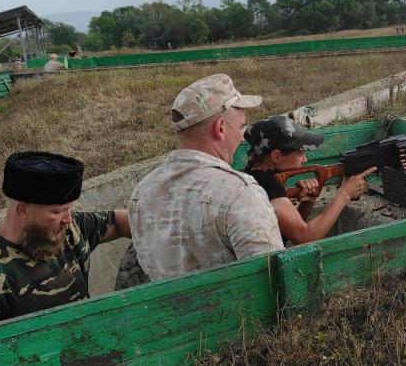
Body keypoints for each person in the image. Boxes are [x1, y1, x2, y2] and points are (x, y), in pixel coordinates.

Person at [0, 151, 131, 336]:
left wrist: (159, 228)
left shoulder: (69, 230)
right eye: (56, 212)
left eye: (68, 209)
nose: (68, 219)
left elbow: (121, 222)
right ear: (22, 210)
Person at [128, 74, 283, 282]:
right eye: (240, 127)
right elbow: (272, 280)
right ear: (220, 128)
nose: (241, 136)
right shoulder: (240, 193)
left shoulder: (141, 192)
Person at [243, 115, 376, 245]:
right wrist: (344, 194)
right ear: (276, 157)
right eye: (301, 153)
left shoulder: (255, 175)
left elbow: (289, 234)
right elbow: (307, 238)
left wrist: (308, 202)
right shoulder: (267, 186)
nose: (305, 159)